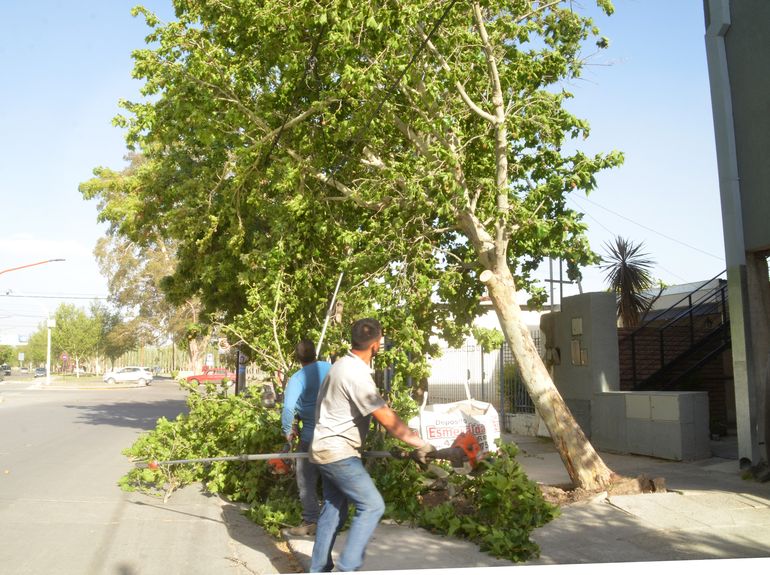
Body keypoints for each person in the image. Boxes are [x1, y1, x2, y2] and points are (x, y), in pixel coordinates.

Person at [309, 318, 435, 572]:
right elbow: (387, 419)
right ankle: (348, 568)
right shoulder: (357, 375)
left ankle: (318, 569)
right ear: (376, 345)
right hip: (338, 452)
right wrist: (421, 444)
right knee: (372, 505)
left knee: (334, 509)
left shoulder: (339, 366)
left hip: (323, 446)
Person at [281, 339, 332, 536]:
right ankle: (330, 521)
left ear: (298, 358)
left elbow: (288, 408)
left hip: (311, 439)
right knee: (330, 481)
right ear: (316, 354)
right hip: (335, 435)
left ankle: (312, 521)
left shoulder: (298, 378)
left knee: (305, 481)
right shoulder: (331, 369)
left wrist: (288, 430)